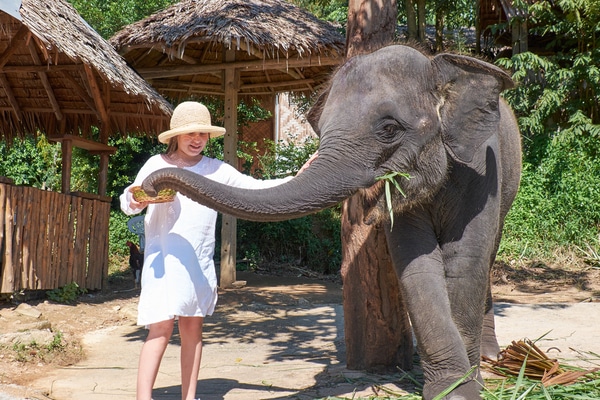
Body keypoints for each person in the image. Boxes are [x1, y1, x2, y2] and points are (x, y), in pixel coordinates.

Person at [120, 101, 316, 400]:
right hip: (162, 261)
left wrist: (298, 178)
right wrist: (137, 201)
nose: (197, 139)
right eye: (190, 134)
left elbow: (256, 189)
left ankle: (190, 397)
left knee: (192, 330)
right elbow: (127, 202)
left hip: (196, 260)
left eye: (202, 133)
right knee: (159, 328)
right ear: (176, 135)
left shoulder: (216, 169)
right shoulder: (156, 164)